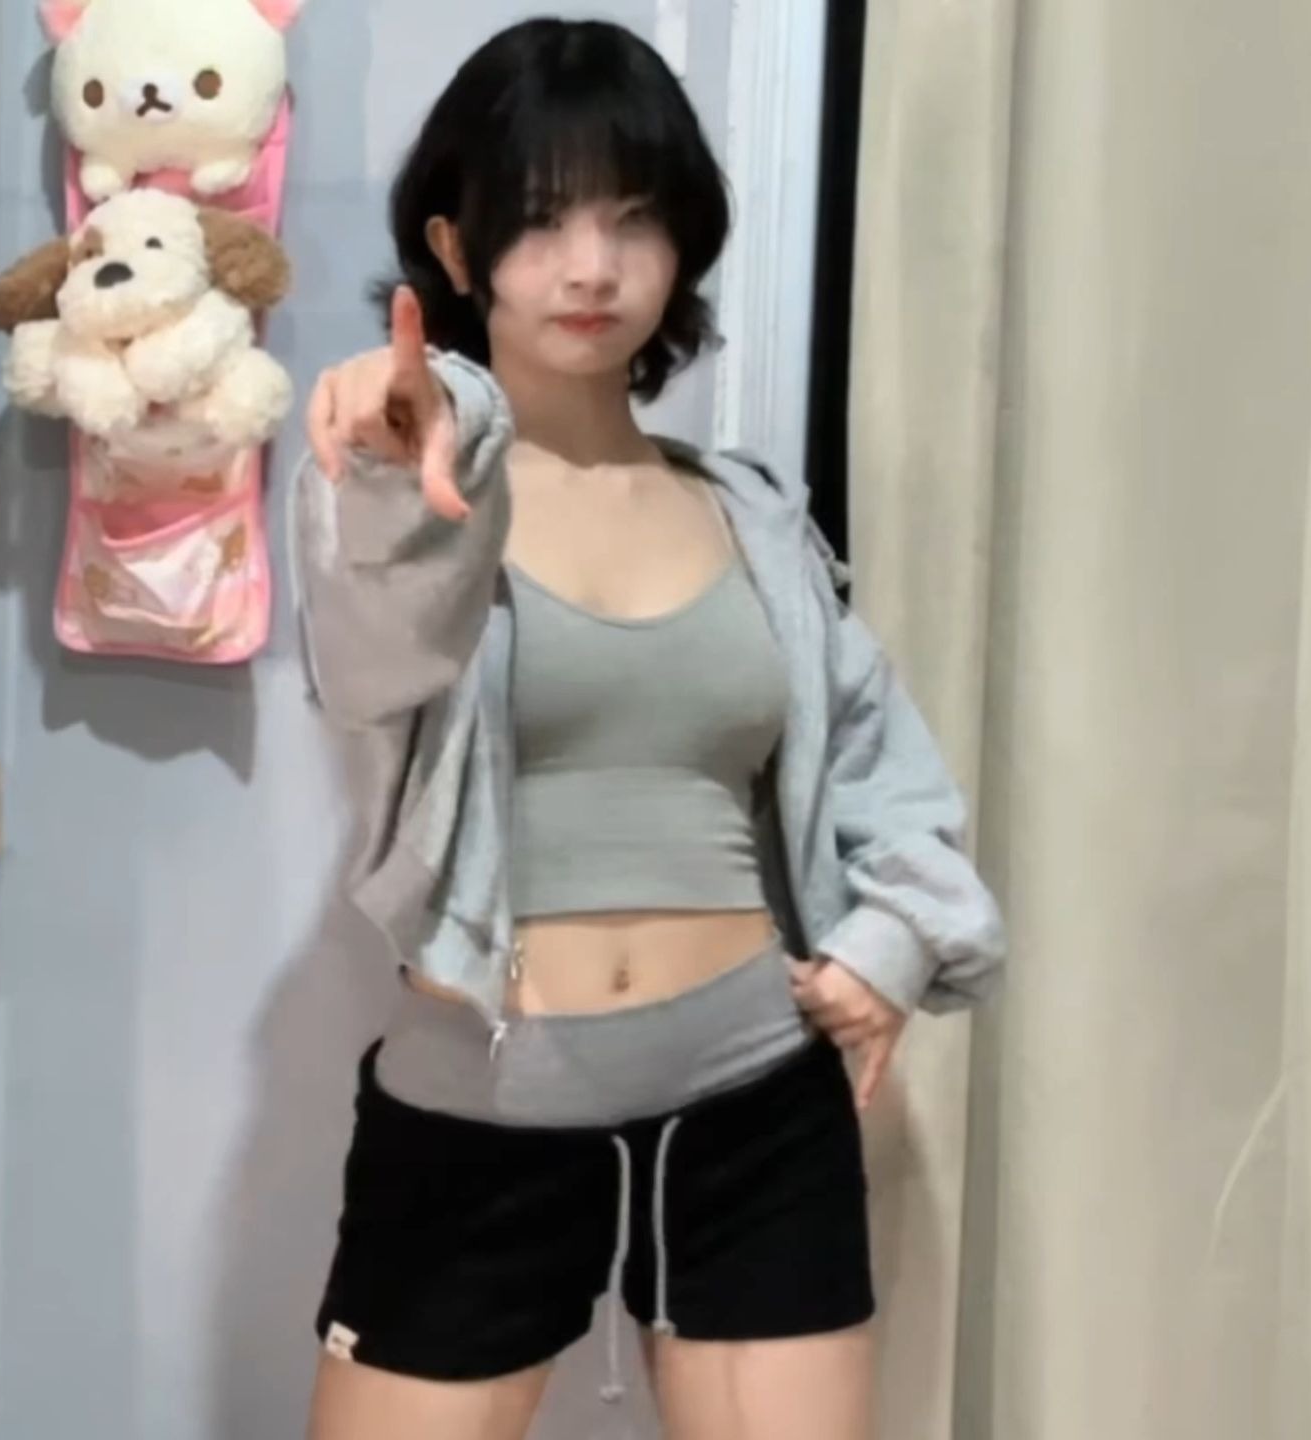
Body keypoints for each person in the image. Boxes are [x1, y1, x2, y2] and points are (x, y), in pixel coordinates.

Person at [290, 18, 1005, 1440]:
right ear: (455, 244)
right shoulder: (401, 490)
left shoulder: (754, 518)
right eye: (543, 218)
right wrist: (396, 460)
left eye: (632, 218)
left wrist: (888, 946)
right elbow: (375, 662)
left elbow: (884, 772)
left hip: (755, 1104)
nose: (592, 266)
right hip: (480, 1114)